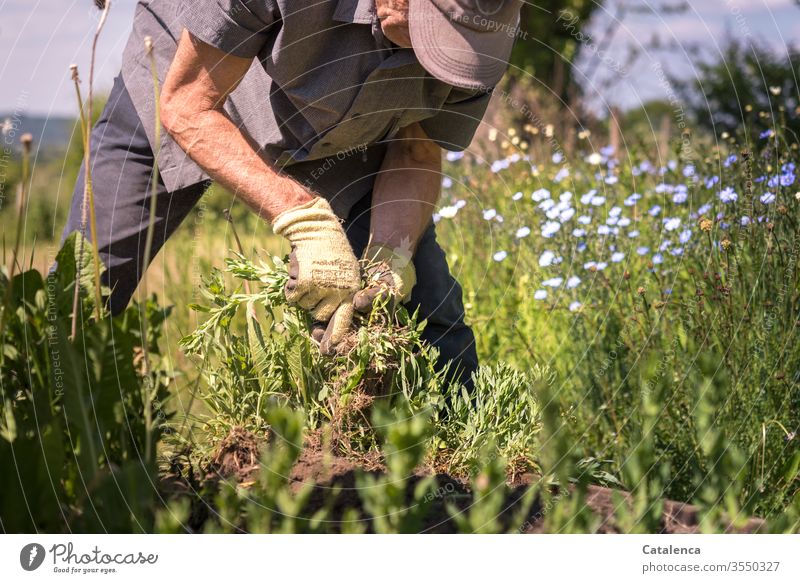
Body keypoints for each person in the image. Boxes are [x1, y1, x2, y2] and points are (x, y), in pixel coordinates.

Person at [63, 0, 523, 386]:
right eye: (434, 30)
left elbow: (416, 149)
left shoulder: (483, 36)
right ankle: (48, 444)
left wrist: (390, 256)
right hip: (182, 79)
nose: (438, 52)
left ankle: (465, 468)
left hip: (348, 130)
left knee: (426, 307)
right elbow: (187, 106)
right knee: (84, 288)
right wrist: (305, 220)